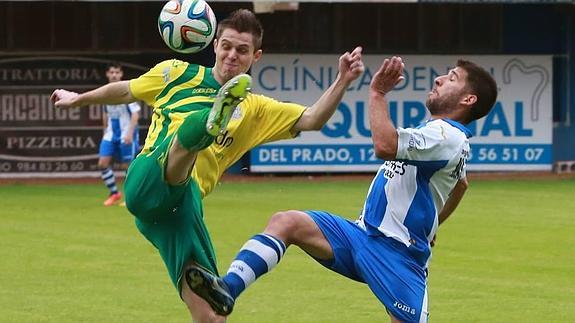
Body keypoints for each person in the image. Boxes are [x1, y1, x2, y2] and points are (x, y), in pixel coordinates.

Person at [50, 9, 364, 323]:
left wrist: (343, 80)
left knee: (213, 314)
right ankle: (207, 122)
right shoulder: (174, 72)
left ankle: (207, 124)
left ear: (256, 56)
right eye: (226, 46)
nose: (232, 55)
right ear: (214, 44)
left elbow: (312, 119)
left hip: (183, 211)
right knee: (182, 141)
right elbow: (125, 89)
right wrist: (78, 99)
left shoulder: (255, 108)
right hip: (147, 179)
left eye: (242, 50)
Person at [187, 56, 498, 322]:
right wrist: (434, 225)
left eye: (452, 78)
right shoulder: (446, 136)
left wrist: (377, 93)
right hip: (361, 235)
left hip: (398, 256)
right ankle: (227, 288)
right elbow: (462, 184)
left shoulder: (447, 135)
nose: (440, 79)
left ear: (468, 100)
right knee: (287, 222)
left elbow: (385, 145)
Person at [97, 63, 141, 206]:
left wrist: (129, 133)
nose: (114, 75)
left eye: (117, 72)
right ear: (107, 75)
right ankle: (114, 193)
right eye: (112, 72)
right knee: (102, 163)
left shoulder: (126, 90)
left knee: (128, 166)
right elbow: (105, 113)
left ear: (121, 74)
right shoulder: (104, 92)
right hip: (110, 134)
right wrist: (105, 131)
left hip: (126, 134)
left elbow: (135, 114)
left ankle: (132, 198)